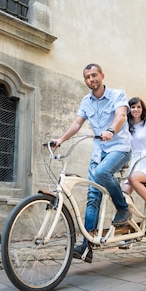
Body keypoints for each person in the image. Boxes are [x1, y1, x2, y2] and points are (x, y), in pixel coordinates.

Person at [52, 63, 131, 263]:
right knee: (92, 196)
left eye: (94, 75)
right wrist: (61, 140)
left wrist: (111, 131)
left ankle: (123, 209)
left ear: (102, 76)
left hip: (119, 148)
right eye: (87, 77)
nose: (91, 80)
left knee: (103, 172)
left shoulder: (117, 95)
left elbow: (121, 115)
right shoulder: (86, 101)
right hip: (99, 152)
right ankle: (87, 246)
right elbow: (77, 123)